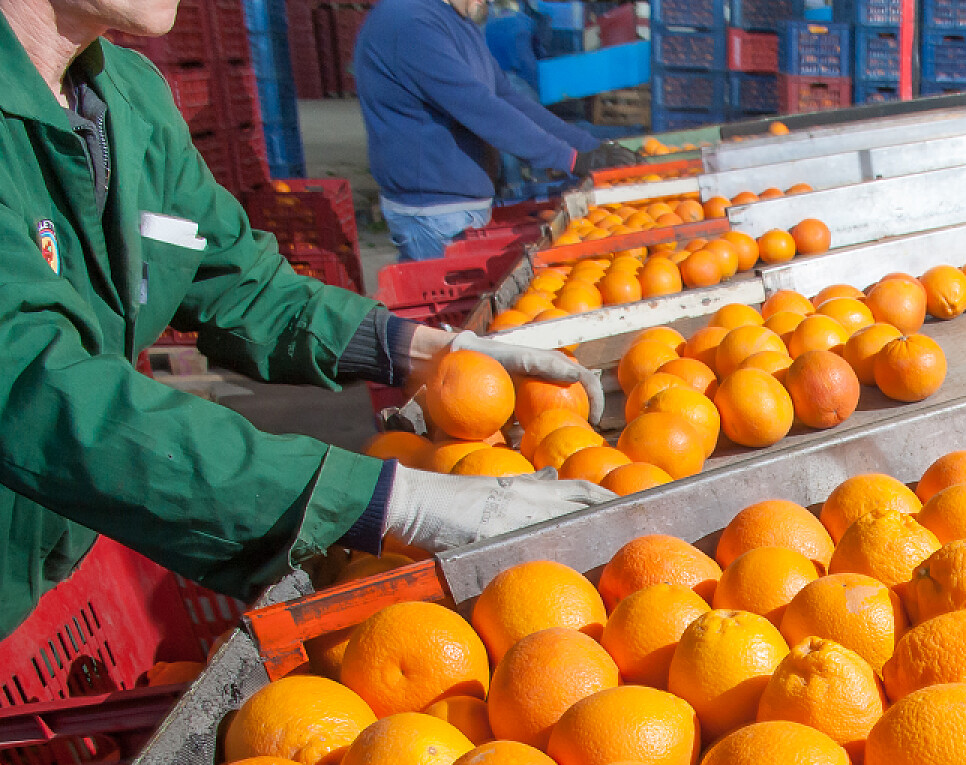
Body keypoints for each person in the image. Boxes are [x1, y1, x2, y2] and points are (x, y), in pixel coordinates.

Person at [0, 0, 614, 640]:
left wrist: (433, 352)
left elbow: (237, 279)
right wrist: (393, 502)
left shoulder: (125, 96)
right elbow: (35, 389)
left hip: (55, 540)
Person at [355, 0, 635, 260]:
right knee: (449, 312)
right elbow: (478, 107)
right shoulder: (409, 24)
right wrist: (569, 158)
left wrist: (588, 148)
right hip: (433, 214)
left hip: (461, 207)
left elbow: (507, 98)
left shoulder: (456, 19)